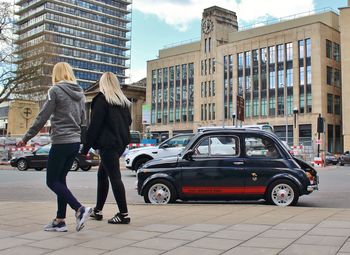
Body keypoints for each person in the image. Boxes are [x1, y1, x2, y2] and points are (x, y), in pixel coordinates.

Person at [16, 62, 92, 232]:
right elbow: (83, 120)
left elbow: (43, 117)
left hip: (61, 141)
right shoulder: (80, 93)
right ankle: (60, 220)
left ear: (56, 74)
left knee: (51, 181)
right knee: (61, 181)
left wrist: (27, 137)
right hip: (74, 143)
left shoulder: (55, 90)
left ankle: (79, 209)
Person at [81, 72, 132, 224]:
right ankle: (98, 210)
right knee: (102, 175)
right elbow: (128, 122)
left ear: (102, 83)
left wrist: (85, 149)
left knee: (115, 177)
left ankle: (124, 214)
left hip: (108, 145)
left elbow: (94, 126)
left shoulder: (101, 99)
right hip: (120, 144)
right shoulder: (123, 102)